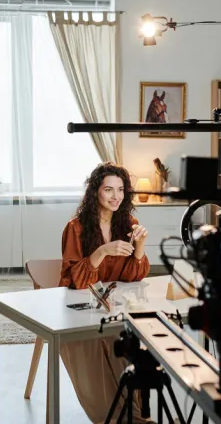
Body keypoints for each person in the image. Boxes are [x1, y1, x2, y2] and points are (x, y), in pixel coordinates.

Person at [58, 163, 151, 423]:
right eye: (108, 189)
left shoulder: (128, 223)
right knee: (90, 345)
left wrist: (140, 247)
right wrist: (101, 252)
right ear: (95, 192)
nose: (115, 196)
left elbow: (133, 276)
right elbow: (75, 281)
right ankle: (113, 418)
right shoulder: (75, 228)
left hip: (116, 307)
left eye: (121, 190)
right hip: (78, 312)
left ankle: (136, 415)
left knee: (130, 340)